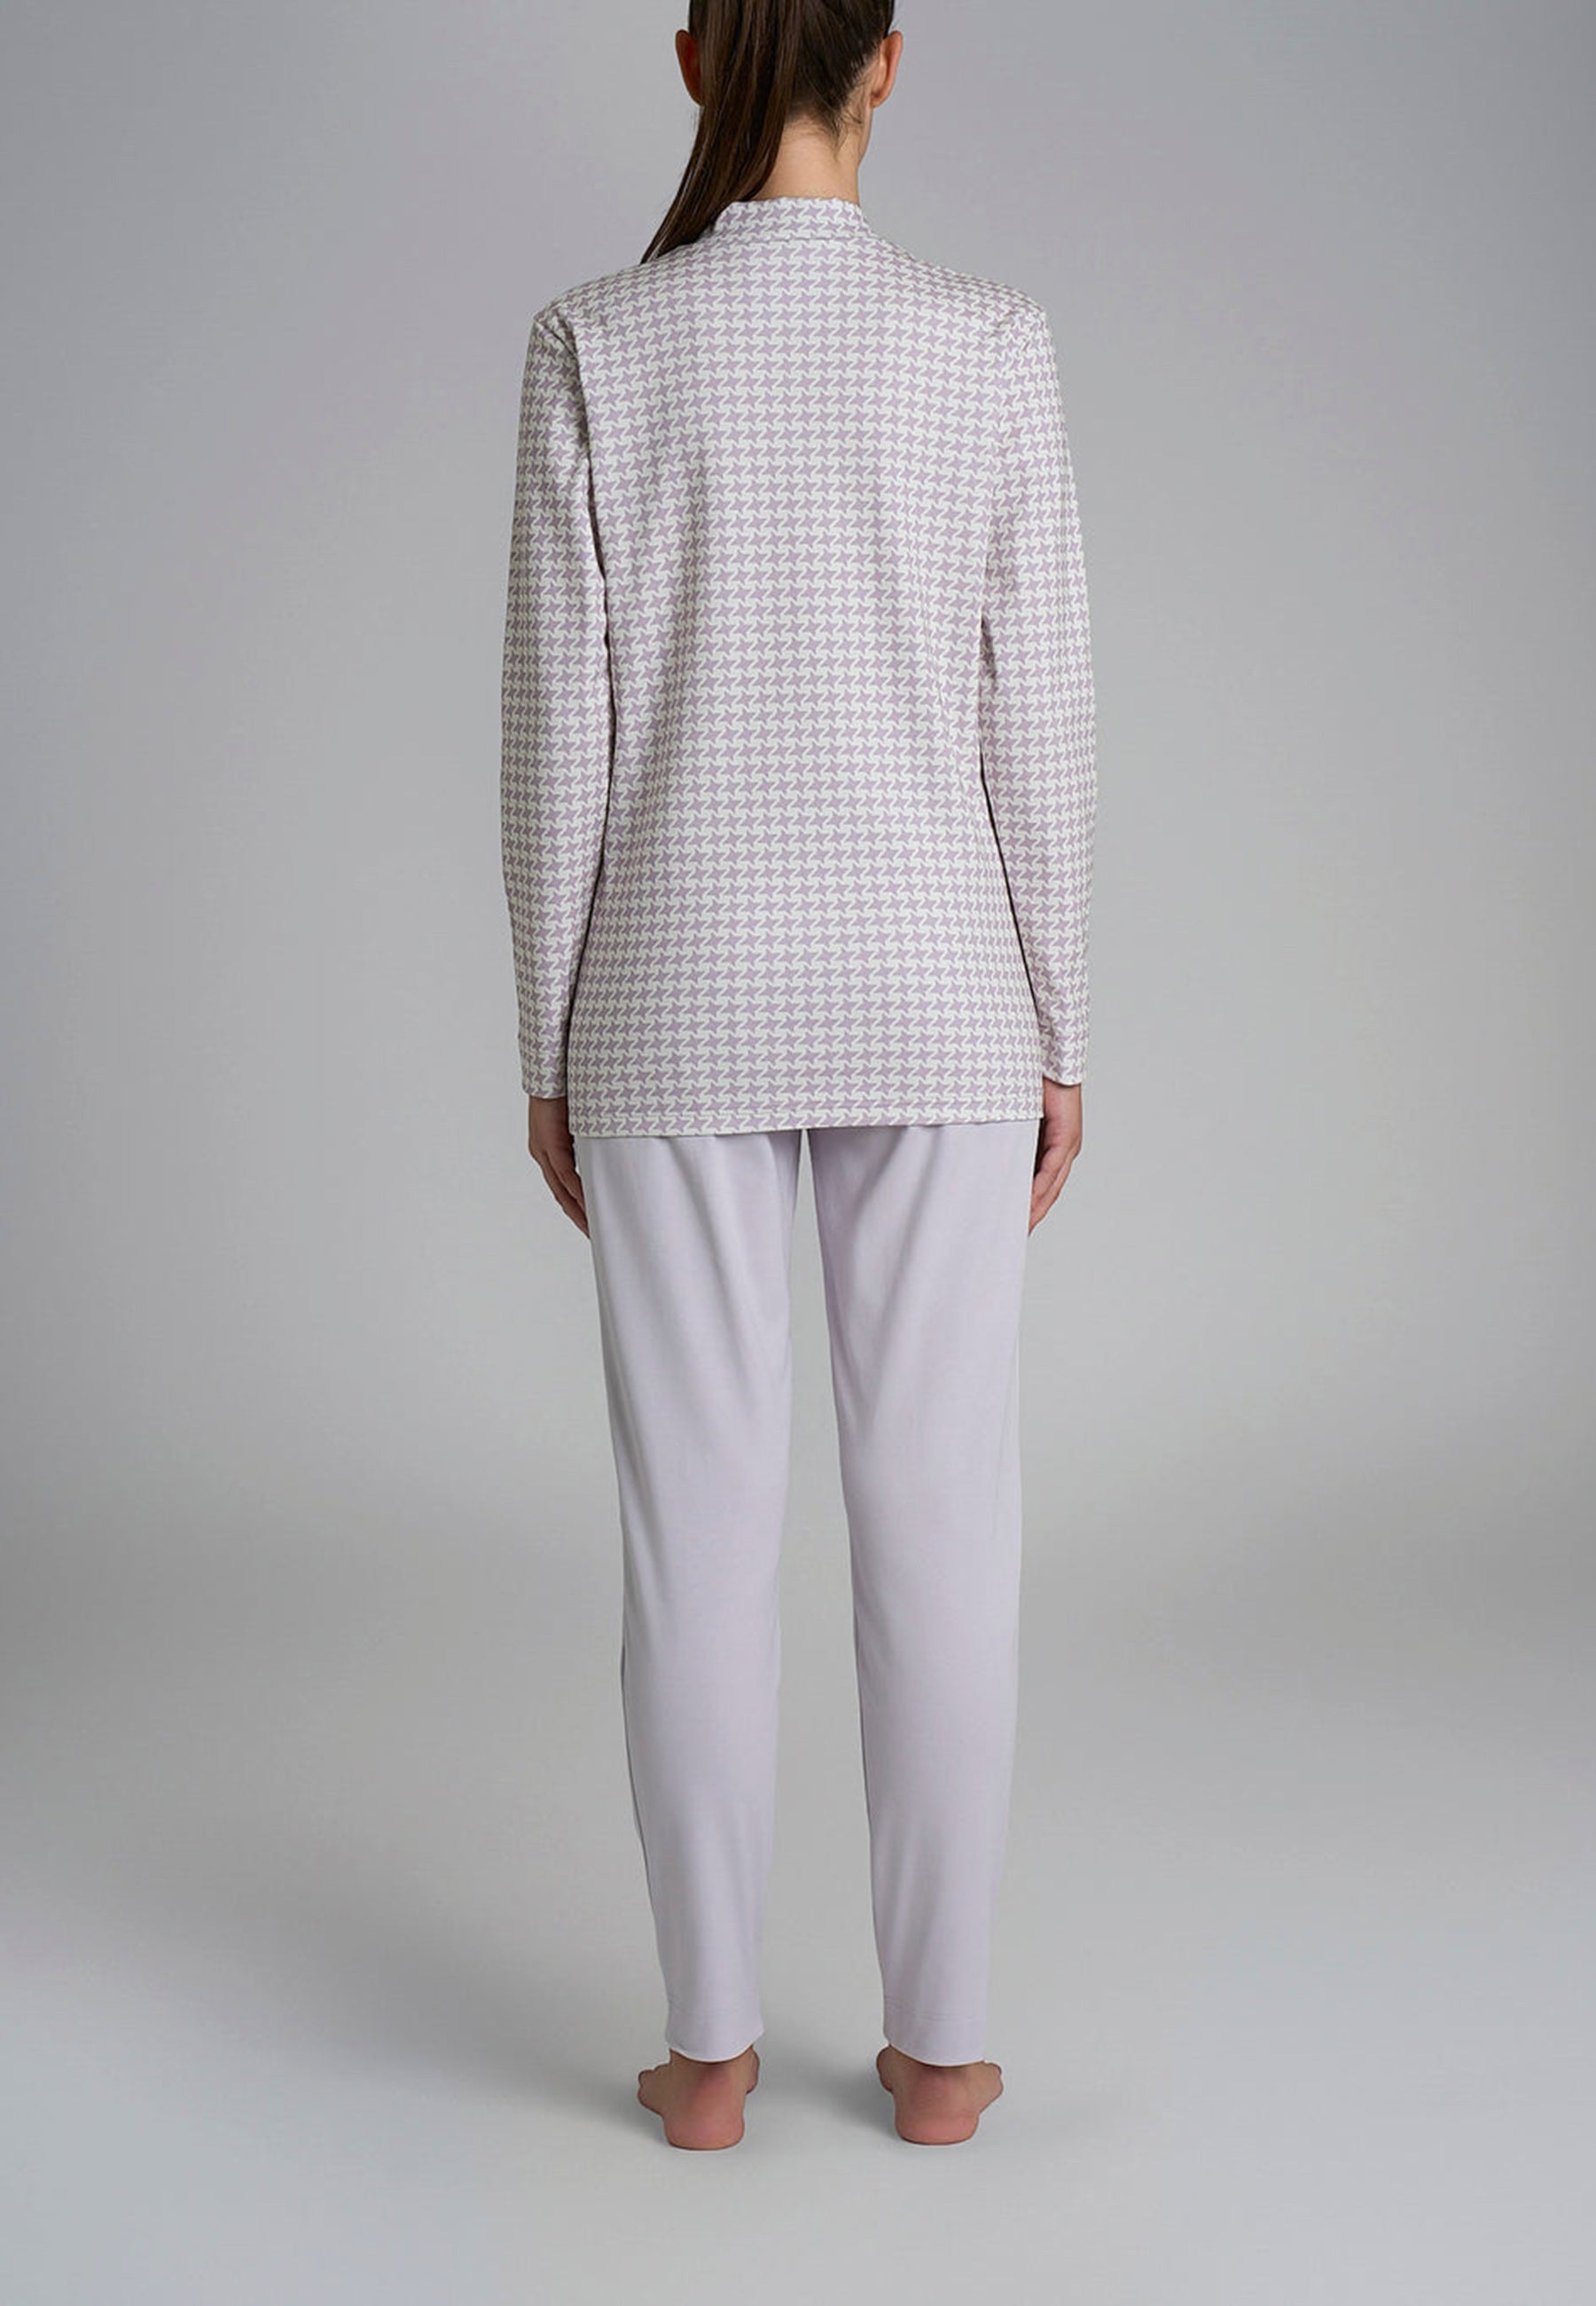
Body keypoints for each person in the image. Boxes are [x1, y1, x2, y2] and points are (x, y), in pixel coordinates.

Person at [500, 0, 1095, 2150]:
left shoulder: (597, 345)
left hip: (666, 1001)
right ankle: (941, 2051)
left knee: (696, 1538)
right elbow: (1043, 718)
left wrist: (549, 1036)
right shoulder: (987, 344)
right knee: (939, 1524)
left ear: (692, 61)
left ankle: (711, 2054)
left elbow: (554, 732)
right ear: (888, 61)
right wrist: (1062, 1019)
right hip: (942, 1002)